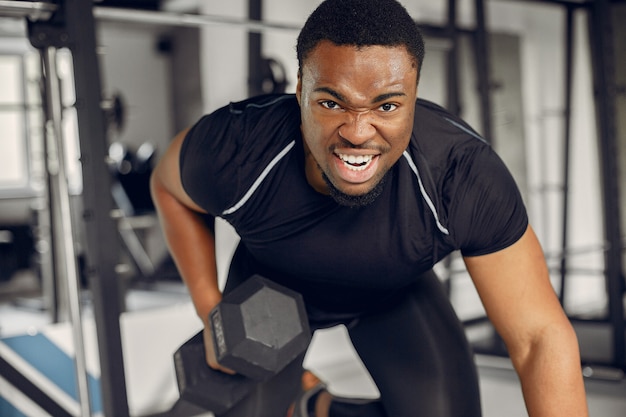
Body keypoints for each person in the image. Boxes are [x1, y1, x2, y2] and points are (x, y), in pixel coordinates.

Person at [150, 0, 588, 416]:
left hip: (392, 295)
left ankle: (315, 407)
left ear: (415, 97)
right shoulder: (240, 147)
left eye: (387, 105)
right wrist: (210, 311)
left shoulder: (460, 175)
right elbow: (167, 187)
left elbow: (538, 338)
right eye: (331, 103)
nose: (358, 132)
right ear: (300, 89)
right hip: (270, 295)